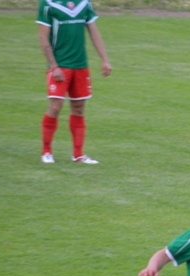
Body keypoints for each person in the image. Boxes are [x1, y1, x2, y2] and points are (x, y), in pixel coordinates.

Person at [37, 0, 111, 165]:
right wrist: (54, 66)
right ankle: (46, 151)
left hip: (80, 65)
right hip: (60, 65)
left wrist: (105, 59)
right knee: (55, 106)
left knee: (78, 108)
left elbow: (94, 31)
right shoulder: (48, 4)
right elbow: (43, 37)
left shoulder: (84, 3)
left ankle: (78, 154)